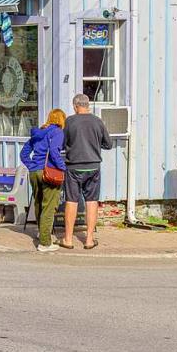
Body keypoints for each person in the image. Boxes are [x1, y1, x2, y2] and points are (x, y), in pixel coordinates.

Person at [61, 94, 114, 249]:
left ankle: (68, 239)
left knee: (71, 201)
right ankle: (89, 240)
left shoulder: (70, 121)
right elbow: (108, 144)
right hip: (93, 166)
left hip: (73, 166)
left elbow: (62, 144)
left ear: (76, 106)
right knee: (91, 202)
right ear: (88, 105)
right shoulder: (97, 121)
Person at [20, 108, 67, 252]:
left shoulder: (38, 132)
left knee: (39, 203)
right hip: (49, 172)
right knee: (49, 206)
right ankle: (45, 243)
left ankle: (42, 233)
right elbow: (54, 151)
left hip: (34, 171)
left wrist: (31, 165)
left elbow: (24, 153)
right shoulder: (57, 132)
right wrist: (63, 167)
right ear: (61, 120)